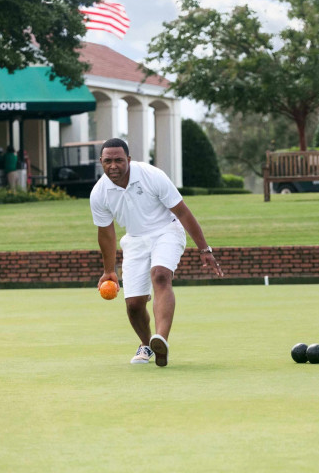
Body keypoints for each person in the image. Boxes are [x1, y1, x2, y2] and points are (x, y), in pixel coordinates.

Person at [90, 138, 224, 367]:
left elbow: (182, 212)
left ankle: (161, 338)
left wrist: (204, 248)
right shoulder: (99, 193)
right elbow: (106, 234)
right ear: (101, 161)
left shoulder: (152, 175)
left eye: (119, 160)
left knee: (160, 275)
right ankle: (147, 345)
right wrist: (108, 270)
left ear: (129, 160)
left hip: (166, 231)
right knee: (133, 304)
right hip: (134, 240)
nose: (114, 165)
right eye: (108, 161)